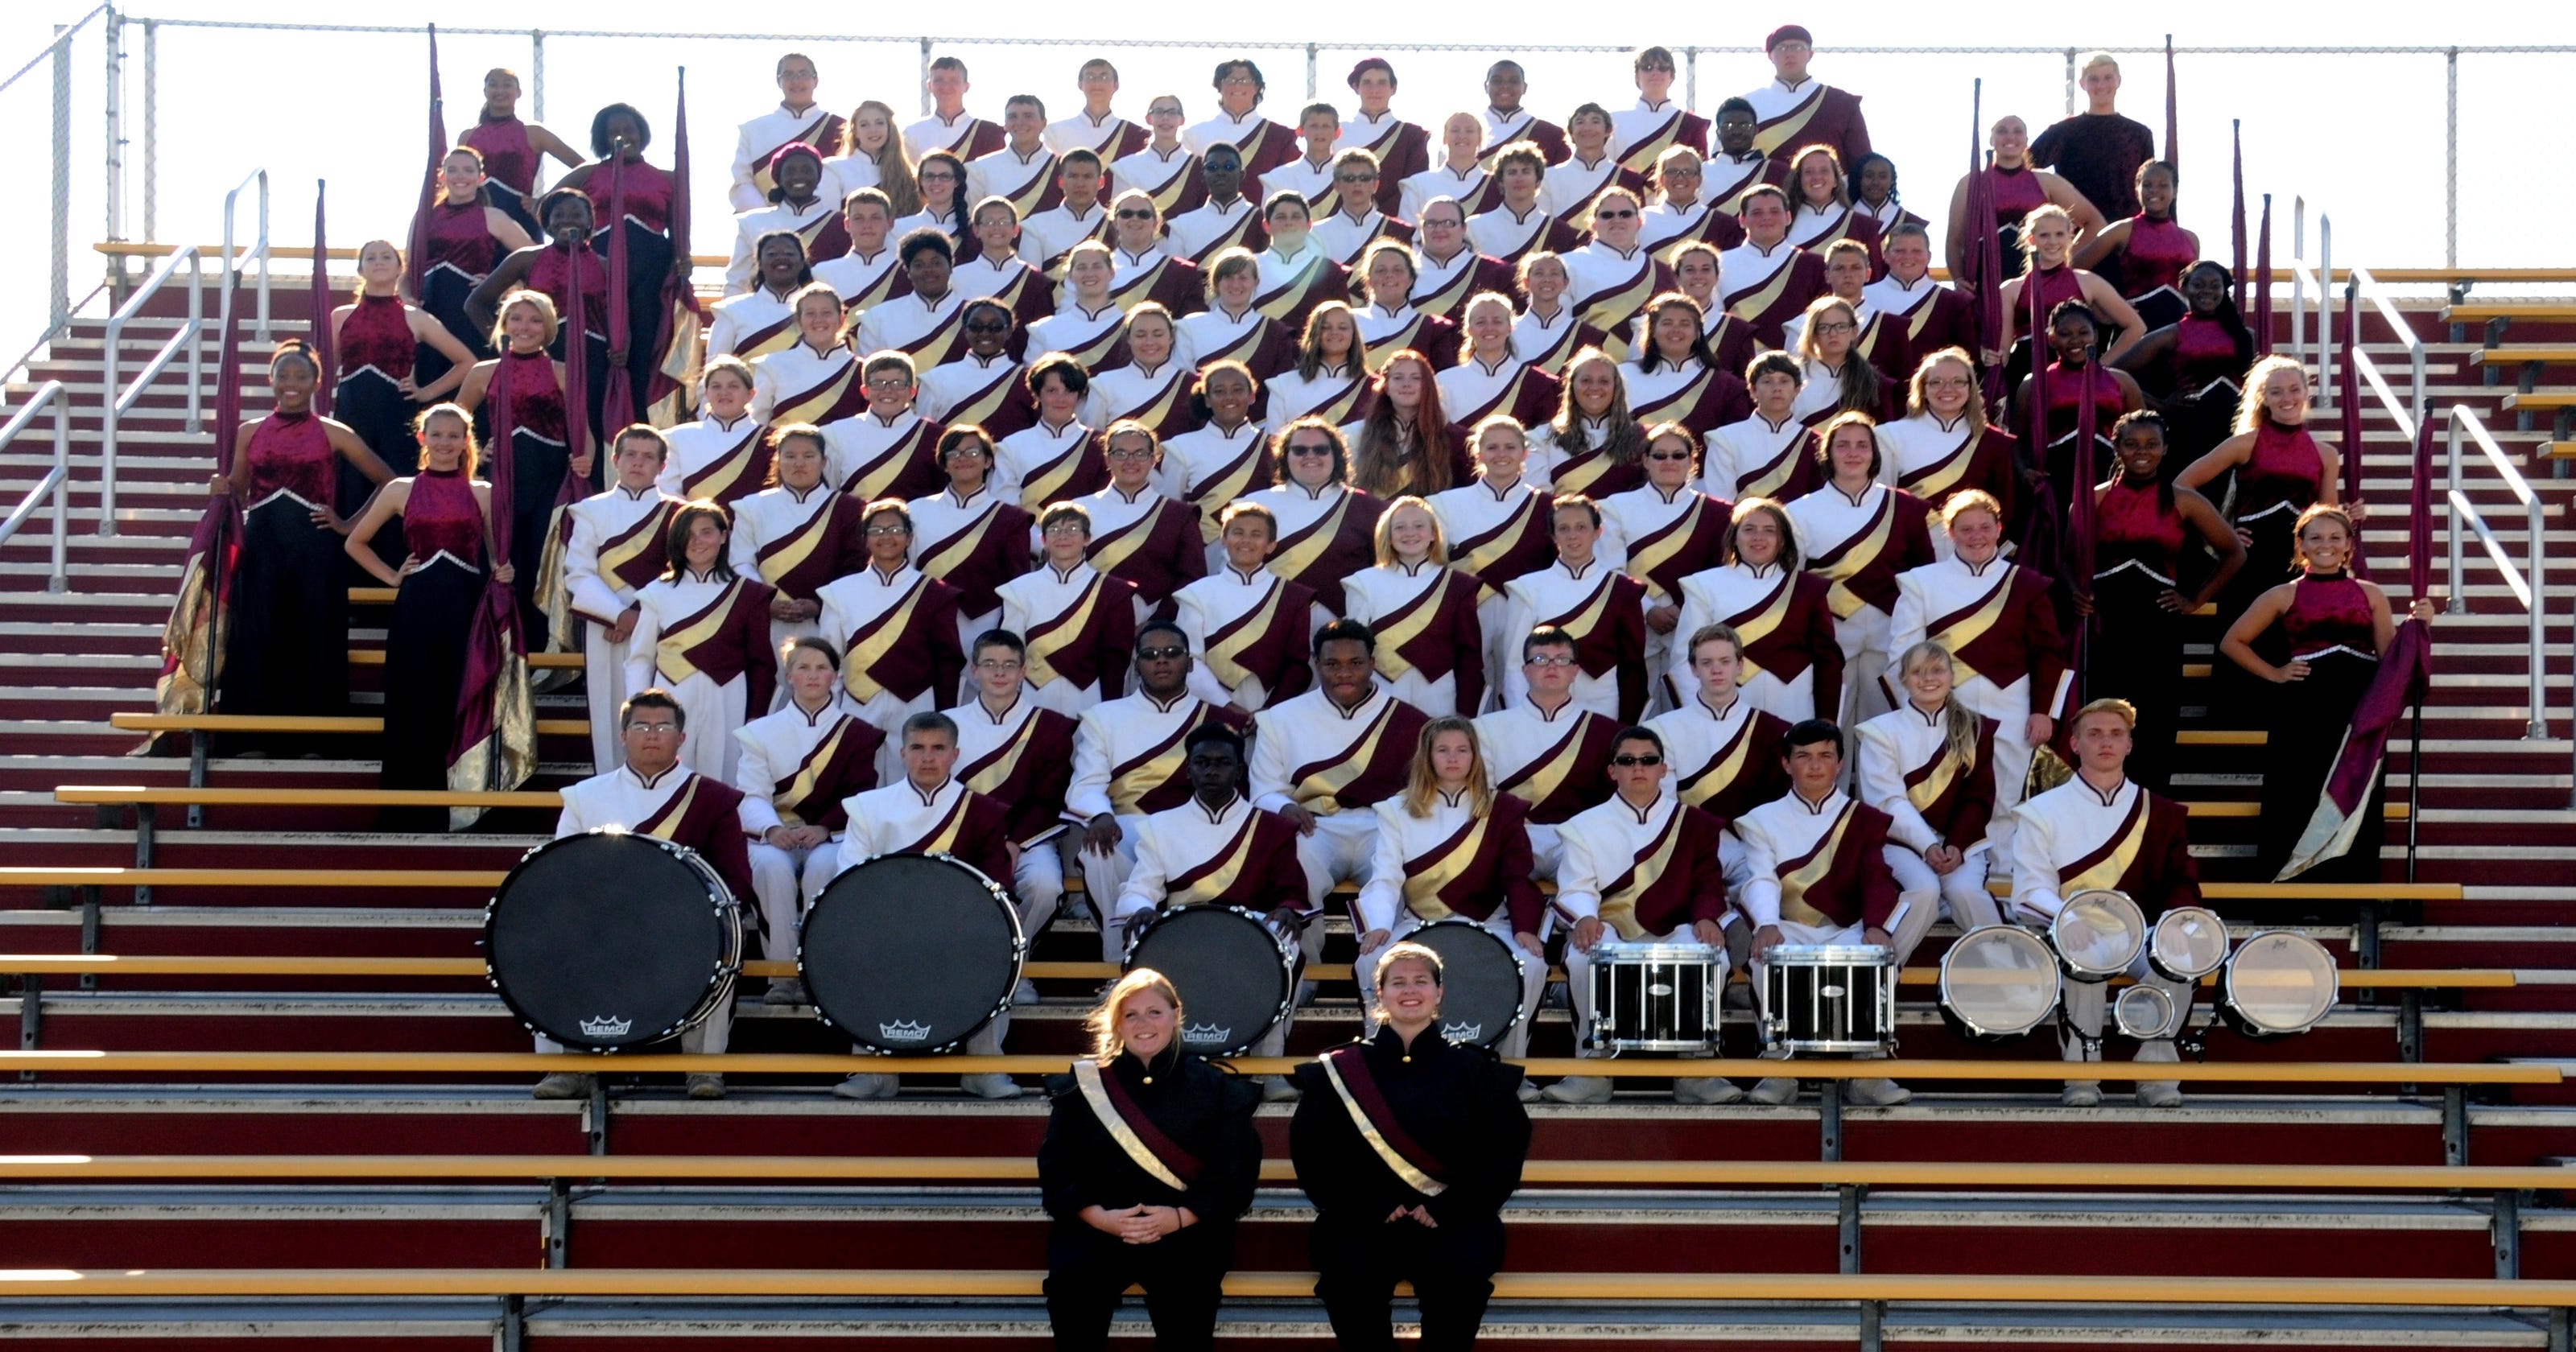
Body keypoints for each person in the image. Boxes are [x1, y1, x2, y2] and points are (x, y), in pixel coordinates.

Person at [1292, 941, 1530, 1350]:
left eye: (1421, 981)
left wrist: (1449, 1208)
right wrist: (1372, 1204)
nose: (1409, 990)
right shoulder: (1339, 1070)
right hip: (1362, 1219)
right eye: (1397, 982)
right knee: (1348, 1281)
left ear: (1439, 992)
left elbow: (1503, 1153)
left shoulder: (1475, 1070)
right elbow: (1314, 1154)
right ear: (1379, 993)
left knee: (1461, 1284)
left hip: (1453, 1220)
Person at [530, 689, 763, 1102]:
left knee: (722, 940)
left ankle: (703, 1068)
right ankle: (567, 1065)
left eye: (662, 726)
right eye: (640, 726)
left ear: (682, 737)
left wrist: (688, 914)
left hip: (681, 926)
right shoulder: (585, 796)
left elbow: (736, 881)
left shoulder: (712, 797)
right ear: (623, 736)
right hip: (601, 925)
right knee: (551, 938)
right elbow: (559, 872)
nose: (651, 735)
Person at [1038, 968, 1262, 1352]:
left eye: (1155, 1012)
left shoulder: (1215, 1087)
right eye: (1131, 1015)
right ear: (1117, 1025)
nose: (1144, 1024)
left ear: (1176, 1015)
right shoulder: (1084, 1087)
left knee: (1189, 1312)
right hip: (1100, 1230)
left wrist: (1178, 1218)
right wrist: (1101, 1219)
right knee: (1073, 1293)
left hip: (1186, 1231)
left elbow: (1236, 1173)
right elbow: (1057, 1168)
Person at [2219, 505, 2432, 881]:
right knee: (2297, 791)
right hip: (2302, 709)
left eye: (2336, 537)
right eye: (2315, 537)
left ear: (2350, 545)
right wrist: (2276, 672)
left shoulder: (2370, 594)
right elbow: (2232, 642)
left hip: (2356, 710)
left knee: (2351, 791)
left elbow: (2389, 661)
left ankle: (2346, 892)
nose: (2326, 545)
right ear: (2300, 544)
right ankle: (2288, 889)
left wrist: (2418, 629)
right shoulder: (2283, 594)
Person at [2008, 698, 2201, 1107]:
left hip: (2141, 934)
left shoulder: (2162, 813)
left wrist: (2173, 927)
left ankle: (2155, 1077)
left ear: (2130, 744)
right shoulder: (2040, 812)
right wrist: (2066, 918)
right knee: (2083, 956)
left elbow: (2182, 884)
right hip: (2072, 933)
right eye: (2094, 734)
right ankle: (2082, 1077)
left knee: (2180, 960)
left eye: (2116, 734)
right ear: (2075, 744)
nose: (2106, 743)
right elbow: (2028, 891)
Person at [1542, 723, 1738, 1105]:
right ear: (1612, 770)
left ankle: (1697, 1070)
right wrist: (1584, 917)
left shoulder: (1694, 822)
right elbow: (1577, 886)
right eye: (1627, 761)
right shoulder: (1584, 826)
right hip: (1610, 925)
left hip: (1677, 927)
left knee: (1713, 956)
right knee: (1584, 959)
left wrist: (1707, 917)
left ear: (1663, 769)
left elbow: (1707, 884)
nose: (1639, 768)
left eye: (1649, 760)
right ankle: (1592, 1069)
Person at [832, 709, 1022, 1100]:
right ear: (902, 753)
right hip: (884, 928)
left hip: (959, 929)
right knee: (858, 942)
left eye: (938, 748)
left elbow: (996, 885)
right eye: (918, 748)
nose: (928, 758)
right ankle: (872, 1069)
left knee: (998, 943)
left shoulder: (983, 810)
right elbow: (851, 880)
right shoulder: (868, 807)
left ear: (955, 754)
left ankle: (984, 1067)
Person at [1733, 718, 1925, 1107]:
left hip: (1845, 929)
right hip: (1788, 927)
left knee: (1876, 955)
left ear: (1840, 764)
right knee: (1766, 959)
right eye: (1803, 757)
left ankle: (1868, 1072)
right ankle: (1778, 1068)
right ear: (1787, 764)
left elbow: (1875, 877)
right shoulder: (1760, 820)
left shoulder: (1865, 818)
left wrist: (1876, 927)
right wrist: (1767, 925)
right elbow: (1761, 878)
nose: (1815, 765)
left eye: (1825, 756)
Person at [1114, 724, 1311, 1090]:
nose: (1211, 771)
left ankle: (1269, 1065)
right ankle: (1152, 1062)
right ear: (1188, 769)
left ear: (1239, 770)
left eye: (1222, 763)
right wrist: (1141, 906)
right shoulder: (1159, 826)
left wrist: (1287, 908)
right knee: (1140, 933)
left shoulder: (1272, 828)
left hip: (1248, 930)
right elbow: (1141, 887)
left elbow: (1292, 892)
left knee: (1286, 940)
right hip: (1183, 928)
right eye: (1202, 763)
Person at [212, 341, 392, 740]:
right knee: (259, 632)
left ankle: (315, 738)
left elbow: (389, 482)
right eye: (283, 376)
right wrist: (222, 489)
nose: (291, 384)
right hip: (262, 549)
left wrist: (347, 524)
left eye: (301, 376)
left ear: (316, 383)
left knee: (312, 634)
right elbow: (240, 493)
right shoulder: (249, 432)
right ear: (271, 380)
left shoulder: (334, 432)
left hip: (315, 549)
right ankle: (252, 738)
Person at [341, 405, 506, 827]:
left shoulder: (483, 492)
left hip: (467, 608)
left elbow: (496, 558)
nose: (445, 443)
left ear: (465, 441)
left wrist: (505, 570)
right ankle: (408, 808)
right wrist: (393, 578)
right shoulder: (399, 489)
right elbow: (355, 543)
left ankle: (464, 803)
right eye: (438, 435)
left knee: (460, 699)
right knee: (414, 701)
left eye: (454, 436)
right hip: (417, 608)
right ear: (422, 439)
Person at [1352, 719, 1547, 1063]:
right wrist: (1380, 924)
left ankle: (1512, 1068)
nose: (1453, 759)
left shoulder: (1503, 808)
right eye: (1442, 750)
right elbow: (1386, 875)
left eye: (1462, 750)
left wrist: (1525, 929)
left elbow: (1518, 876)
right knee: (1371, 958)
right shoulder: (1395, 810)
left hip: (1489, 922)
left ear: (1475, 756)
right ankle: (1384, 1063)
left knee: (1530, 964)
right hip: (1419, 922)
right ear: (1427, 757)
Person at [1885, 490, 2066, 848]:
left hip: (2011, 702)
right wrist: (1915, 710)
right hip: (1943, 704)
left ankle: (2002, 880)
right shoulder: (1920, 582)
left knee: (2007, 793)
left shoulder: (2026, 583)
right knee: (1942, 791)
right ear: (1949, 533)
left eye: (1985, 527)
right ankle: (1949, 876)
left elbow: (2049, 653)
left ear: (1999, 529)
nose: (1976, 536)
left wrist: (2044, 712)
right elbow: (1902, 652)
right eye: (1965, 529)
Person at [1067, 629, 1255, 957]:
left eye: (1172, 652)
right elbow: (1086, 783)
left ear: (1190, 662)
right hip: (1127, 825)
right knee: (1097, 850)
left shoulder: (1221, 720)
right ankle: (1119, 962)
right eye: (1150, 655)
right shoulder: (1103, 718)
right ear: (1136, 664)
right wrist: (1100, 815)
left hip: (1194, 827)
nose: (1162, 661)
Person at [2084, 410, 2245, 793]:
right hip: (2106, 627)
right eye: (2132, 444)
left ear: (2165, 448)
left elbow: (2234, 552)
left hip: (2159, 626)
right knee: (2104, 717)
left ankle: (2149, 808)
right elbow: (2067, 556)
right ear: (2116, 448)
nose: (2142, 452)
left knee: (2154, 720)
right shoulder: (2094, 499)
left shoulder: (2184, 500)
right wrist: (2079, 592)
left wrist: (2194, 600)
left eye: (2152, 445)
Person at [1251, 619, 1434, 927]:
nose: (1345, 673)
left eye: (1356, 663)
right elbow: (1263, 791)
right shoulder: (1280, 718)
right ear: (1316, 663)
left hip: (1383, 828)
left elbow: (1425, 791)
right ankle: (1302, 971)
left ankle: (1389, 967)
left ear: (1373, 664)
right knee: (1294, 883)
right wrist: (1285, 807)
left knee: (1392, 887)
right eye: (1333, 663)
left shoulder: (1410, 721)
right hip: (1314, 828)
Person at [736, 636, 886, 1000]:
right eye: (803, 667)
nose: (813, 676)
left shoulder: (859, 733)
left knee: (824, 869)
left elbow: (862, 793)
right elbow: (752, 793)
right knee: (772, 869)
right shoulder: (759, 733)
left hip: (833, 834)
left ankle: (818, 974)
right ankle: (781, 975)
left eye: (822, 668)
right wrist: (771, 829)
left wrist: (824, 827)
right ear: (789, 676)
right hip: (773, 835)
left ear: (835, 676)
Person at [1785, 414, 1936, 725]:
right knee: (1829, 723)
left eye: (1862, 445)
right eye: (1842, 445)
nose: (1853, 453)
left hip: (1890, 635)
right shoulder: (1798, 511)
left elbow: (1924, 578)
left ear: (1874, 453)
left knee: (1883, 727)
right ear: (1828, 453)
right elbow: (1791, 584)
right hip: (1829, 636)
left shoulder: (1906, 508)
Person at [949, 629, 1080, 984]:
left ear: (1023, 672)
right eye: (989, 664)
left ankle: (1015, 966)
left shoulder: (1051, 726)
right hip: (961, 838)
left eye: (1009, 665)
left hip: (1029, 839)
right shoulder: (948, 725)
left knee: (1045, 885)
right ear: (974, 671)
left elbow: (1050, 796)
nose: (999, 673)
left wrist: (1015, 841)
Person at [2178, 353, 2343, 627]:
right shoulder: (2245, 443)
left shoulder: (2325, 454)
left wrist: (2348, 517)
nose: (2286, 398)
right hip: (2250, 562)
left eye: (2294, 389)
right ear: (2263, 398)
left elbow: (2328, 517)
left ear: (2306, 392)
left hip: (2299, 563)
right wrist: (2221, 532)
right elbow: (2183, 485)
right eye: (2275, 392)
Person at [454, 291, 582, 639]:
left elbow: (582, 429)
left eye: (535, 319)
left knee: (541, 558)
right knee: (504, 558)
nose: (525, 326)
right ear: (504, 324)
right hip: (503, 480)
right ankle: (501, 640)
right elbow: (453, 425)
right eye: (517, 318)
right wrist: (477, 453)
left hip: (550, 477)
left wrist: (583, 459)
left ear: (549, 327)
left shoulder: (561, 372)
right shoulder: (484, 373)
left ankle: (544, 643)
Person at [622, 501, 778, 784]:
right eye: (689, 534)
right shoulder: (657, 593)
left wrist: (756, 716)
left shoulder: (748, 593)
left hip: (727, 699)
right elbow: (641, 659)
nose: (697, 542)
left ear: (723, 536)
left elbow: (762, 663)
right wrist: (640, 712)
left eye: (706, 532)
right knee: (668, 779)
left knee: (724, 781)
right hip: (669, 699)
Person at [1857, 639, 2004, 935]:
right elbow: (1887, 801)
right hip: (1898, 844)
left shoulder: (1977, 728)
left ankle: (2003, 971)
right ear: (1902, 679)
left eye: (1937, 670)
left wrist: (1956, 846)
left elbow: (1978, 798)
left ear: (1952, 676)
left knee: (1966, 893)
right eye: (1917, 672)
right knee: (1923, 891)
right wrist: (1928, 845)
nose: (1928, 680)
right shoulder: (1880, 732)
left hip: (1959, 845)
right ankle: (1883, 972)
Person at [556, 426, 680, 772]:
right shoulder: (589, 511)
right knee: (611, 714)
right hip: (605, 628)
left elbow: (685, 574)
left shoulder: (679, 513)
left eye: (648, 457)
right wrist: (618, 616)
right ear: (615, 459)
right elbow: (579, 573)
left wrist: (640, 618)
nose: (638, 463)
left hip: (663, 629)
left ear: (662, 466)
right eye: (631, 455)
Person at [331, 241, 477, 515]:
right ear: (360, 269)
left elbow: (466, 362)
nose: (379, 262)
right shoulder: (341, 317)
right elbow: (325, 371)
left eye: (387, 256)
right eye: (371, 258)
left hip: (396, 416)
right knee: (350, 486)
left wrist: (425, 393)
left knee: (397, 484)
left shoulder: (415, 318)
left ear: (400, 268)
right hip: (351, 414)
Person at [1670, 497, 1843, 723]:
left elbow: (1827, 661)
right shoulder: (1704, 585)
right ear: (1734, 537)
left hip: (1795, 705)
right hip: (1727, 708)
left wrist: (1826, 719)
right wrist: (1700, 714)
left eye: (1769, 530)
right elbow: (1685, 657)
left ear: (1782, 540)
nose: (1758, 537)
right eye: (1749, 529)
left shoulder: (1807, 588)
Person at [558, 103, 680, 418]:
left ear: (642, 134)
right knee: (600, 353)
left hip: (650, 275)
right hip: (599, 271)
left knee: (643, 352)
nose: (622, 136)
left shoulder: (667, 177)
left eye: (629, 130)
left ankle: (641, 425)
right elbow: (549, 211)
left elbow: (680, 230)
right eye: (613, 131)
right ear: (602, 138)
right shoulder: (587, 174)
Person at [1648, 623, 1793, 882]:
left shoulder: (1774, 730)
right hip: (1686, 847)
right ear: (1693, 669)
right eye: (1706, 662)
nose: (1716, 670)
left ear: (1739, 666)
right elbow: (1663, 808)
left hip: (1750, 849)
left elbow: (1779, 807)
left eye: (1725, 661)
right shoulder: (1660, 730)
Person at [814, 499, 968, 744]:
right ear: (865, 539)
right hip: (856, 706)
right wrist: (827, 714)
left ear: (909, 538)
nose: (886, 537)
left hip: (916, 706)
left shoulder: (935, 593)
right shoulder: (839, 593)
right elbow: (830, 661)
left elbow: (948, 663)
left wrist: (943, 717)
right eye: (876, 531)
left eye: (896, 530)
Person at [464, 190, 609, 443]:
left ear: (589, 221)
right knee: (542, 426)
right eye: (559, 215)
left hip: (592, 359)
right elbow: (475, 303)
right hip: (542, 355)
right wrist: (505, 344)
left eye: (576, 214)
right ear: (547, 221)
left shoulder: (606, 265)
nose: (567, 220)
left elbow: (621, 315)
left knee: (587, 430)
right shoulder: (527, 258)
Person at [1475, 625, 1622, 877]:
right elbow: (1482, 798)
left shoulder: (1605, 731)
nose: (1552, 667)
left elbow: (1614, 804)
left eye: (1562, 660)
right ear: (1525, 670)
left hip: (1579, 842)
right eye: (1541, 659)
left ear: (1575, 671)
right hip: (1511, 839)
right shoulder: (1484, 728)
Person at [1431, 417, 1563, 697]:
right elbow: (1432, 562)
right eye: (1492, 448)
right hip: (1467, 611)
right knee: (1467, 686)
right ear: (1477, 453)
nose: (1501, 454)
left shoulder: (1547, 507)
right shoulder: (1444, 504)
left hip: (1523, 610)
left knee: (1519, 686)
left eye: (1510, 447)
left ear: (1524, 453)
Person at [1600, 422, 1732, 701]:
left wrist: (1682, 608)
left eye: (1678, 455)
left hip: (1692, 625)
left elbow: (1720, 573)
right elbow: (1609, 569)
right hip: (1634, 623)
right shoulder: (1616, 506)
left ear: (1692, 460)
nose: (1669, 462)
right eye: (1659, 455)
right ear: (1645, 460)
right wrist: (1648, 610)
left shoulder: (1718, 512)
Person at [1501, 495, 1649, 723]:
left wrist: (1626, 725)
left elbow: (1633, 666)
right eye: (1564, 528)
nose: (1573, 536)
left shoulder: (1621, 589)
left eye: (1581, 527)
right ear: (1553, 535)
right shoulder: (1527, 588)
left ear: (1598, 532)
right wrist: (1521, 717)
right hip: (1542, 706)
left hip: (1602, 704)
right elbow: (1514, 665)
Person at [730, 423, 868, 657]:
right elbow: (741, 563)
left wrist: (819, 604)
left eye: (809, 456)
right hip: (765, 623)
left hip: (828, 623)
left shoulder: (848, 508)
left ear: (824, 462)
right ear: (778, 460)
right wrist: (766, 602)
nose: (799, 463)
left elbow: (855, 569)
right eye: (790, 456)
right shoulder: (751, 507)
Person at [1341, 497, 1484, 716]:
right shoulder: (1363, 583)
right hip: (1379, 692)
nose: (1410, 533)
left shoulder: (1458, 584)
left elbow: (1469, 657)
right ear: (1387, 536)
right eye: (1400, 527)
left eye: (1419, 526)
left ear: (1434, 534)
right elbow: (1353, 652)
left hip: (1440, 695)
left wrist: (1466, 714)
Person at [999, 503, 1142, 716]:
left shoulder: (1112, 591)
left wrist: (1110, 710)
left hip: (1089, 696)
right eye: (1054, 530)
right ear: (1043, 541)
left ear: (1087, 539)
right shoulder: (1019, 589)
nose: (1063, 536)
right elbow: (1010, 652)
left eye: (1072, 529)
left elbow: (1116, 660)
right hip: (1032, 696)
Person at [1173, 501, 1317, 713]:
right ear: (1224, 540)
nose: (1246, 540)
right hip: (1209, 711)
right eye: (1238, 532)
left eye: (1257, 534)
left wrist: (1270, 711)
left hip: (1274, 714)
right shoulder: (1196, 594)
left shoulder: (1293, 596)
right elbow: (1189, 661)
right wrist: (1227, 706)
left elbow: (1297, 665)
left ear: (1271, 545)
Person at [408, 147, 533, 388]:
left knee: (478, 380)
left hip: (472, 314)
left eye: (468, 170)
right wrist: (407, 299)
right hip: (429, 311)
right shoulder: (424, 217)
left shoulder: (494, 216)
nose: (460, 176)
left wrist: (507, 287)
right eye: (452, 170)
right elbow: (407, 271)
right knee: (429, 378)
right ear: (442, 177)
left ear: (481, 178)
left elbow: (537, 259)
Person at [2112, 259, 2257, 466]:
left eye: (2215, 286)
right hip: (2190, 430)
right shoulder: (2171, 334)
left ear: (2224, 290)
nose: (2207, 291)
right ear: (2183, 288)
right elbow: (2110, 375)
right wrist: (2160, 404)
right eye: (2198, 285)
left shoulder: (2245, 336)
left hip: (2237, 427)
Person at [908, 426, 1035, 662]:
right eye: (954, 454)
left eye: (972, 452)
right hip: (927, 627)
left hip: (987, 630)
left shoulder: (1011, 518)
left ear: (988, 461)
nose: (963, 459)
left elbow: (1017, 586)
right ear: (944, 464)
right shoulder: (915, 511)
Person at [1876, 348, 2018, 554]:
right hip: (1908, 556)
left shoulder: (1993, 442)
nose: (1947, 389)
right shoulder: (1889, 436)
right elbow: (1880, 506)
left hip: (1971, 557)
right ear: (1922, 388)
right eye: (1936, 382)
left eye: (1958, 381)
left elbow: (2004, 509)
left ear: (1971, 388)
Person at [2014, 301, 2147, 513]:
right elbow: (2016, 440)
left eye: (2083, 332)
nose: (2075, 340)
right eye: (2065, 334)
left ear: (2095, 335)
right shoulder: (2034, 383)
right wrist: (2024, 471)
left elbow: (2145, 433)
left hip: (2109, 480)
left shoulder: (2121, 382)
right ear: (2052, 339)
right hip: (2055, 484)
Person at [1246, 418, 1385, 617]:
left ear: (1337, 455)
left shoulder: (1369, 507)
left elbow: (1382, 574)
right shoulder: (1255, 505)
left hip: (1345, 629)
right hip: (1272, 623)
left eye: (1321, 450)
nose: (1310, 456)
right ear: (1285, 456)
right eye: (1300, 450)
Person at [1946, 117, 2107, 287]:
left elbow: (2095, 222)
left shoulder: (2046, 181)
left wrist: (2062, 262)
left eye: (2017, 131)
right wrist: (1958, 280)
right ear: (1991, 140)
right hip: (1984, 288)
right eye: (2002, 131)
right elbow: (1954, 239)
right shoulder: (1971, 182)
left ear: (2026, 140)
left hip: (2035, 288)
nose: (2010, 137)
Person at [1080, 422, 1207, 619]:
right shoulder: (1078, 509)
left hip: (1156, 633)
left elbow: (1192, 578)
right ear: (1107, 459)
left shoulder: (1179, 514)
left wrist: (1157, 625)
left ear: (1154, 459)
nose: (1130, 461)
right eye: (1121, 453)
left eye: (1140, 454)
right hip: (1089, 623)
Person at [1996, 205, 2146, 372]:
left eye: (2059, 234)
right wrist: (1993, 357)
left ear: (2070, 236)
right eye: (2044, 235)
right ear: (2032, 239)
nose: (2053, 241)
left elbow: (2136, 327)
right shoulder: (2010, 289)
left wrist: (2100, 367)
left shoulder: (2088, 281)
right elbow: (2004, 347)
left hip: (2075, 375)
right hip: (2026, 373)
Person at [2029, 52, 2159, 224]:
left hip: (2127, 232)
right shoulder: (2062, 132)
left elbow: (2151, 186)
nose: (2101, 85)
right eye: (2093, 79)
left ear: (2118, 81)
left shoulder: (2139, 134)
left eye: (2108, 78)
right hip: (2076, 234)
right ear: (2083, 84)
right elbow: (2024, 171)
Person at [1860, 225, 1979, 406]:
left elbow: (1968, 360)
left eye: (1916, 251)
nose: (1908, 257)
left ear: (1929, 256)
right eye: (1899, 250)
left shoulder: (1953, 302)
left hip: (1932, 402)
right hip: (1873, 400)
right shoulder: (1862, 297)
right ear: (1885, 255)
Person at [459, 68, 585, 235]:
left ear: (518, 92)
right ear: (485, 91)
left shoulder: (534, 133)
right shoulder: (468, 137)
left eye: (507, 85)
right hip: (476, 222)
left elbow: (583, 168)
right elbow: (453, 180)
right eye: (494, 85)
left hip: (521, 222)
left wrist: (546, 200)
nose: (500, 91)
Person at [2074, 161, 2198, 328]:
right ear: (2137, 190)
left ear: (2175, 191)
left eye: (2163, 185)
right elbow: (2071, 272)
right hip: (2136, 335)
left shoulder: (2190, 239)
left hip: (2179, 335)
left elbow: (2194, 290)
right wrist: (2100, 310)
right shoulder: (2122, 230)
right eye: (2147, 185)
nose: (2154, 190)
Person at [818, 350, 947, 504]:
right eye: (878, 384)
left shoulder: (936, 436)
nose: (888, 390)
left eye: (898, 384)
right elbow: (830, 498)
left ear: (912, 391)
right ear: (865, 391)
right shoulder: (835, 434)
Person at [1160, 361, 1277, 530]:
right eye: (1219, 391)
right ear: (1207, 399)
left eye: (1237, 390)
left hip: (1254, 550)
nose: (1229, 397)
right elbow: (1171, 513)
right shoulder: (1181, 447)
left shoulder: (1271, 446)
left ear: (1252, 396)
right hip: (1199, 552)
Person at [1623, 294, 1752, 439]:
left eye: (1685, 324)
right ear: (1652, 330)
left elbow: (1736, 443)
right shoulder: (1622, 377)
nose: (1676, 330)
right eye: (1667, 323)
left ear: (1698, 332)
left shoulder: (1726, 386)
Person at [1530, 348, 1649, 499]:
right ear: (1572, 386)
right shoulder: (1540, 438)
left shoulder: (1643, 438)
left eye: (1604, 381)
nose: (1594, 387)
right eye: (1586, 380)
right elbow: (1540, 502)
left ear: (1616, 387)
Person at [1347, 351, 1469, 499]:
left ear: (1428, 385)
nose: (1406, 384)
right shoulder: (1356, 434)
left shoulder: (1456, 439)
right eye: (1398, 378)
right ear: (1386, 387)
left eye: (1416, 378)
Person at [729, 59, 845, 212]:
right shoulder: (752, 130)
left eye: (803, 74)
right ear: (779, 81)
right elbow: (742, 184)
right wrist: (767, 220)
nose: (796, 81)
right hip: (768, 230)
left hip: (826, 227)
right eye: (788, 75)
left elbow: (848, 180)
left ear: (815, 80)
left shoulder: (840, 127)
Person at [994, 352, 1106, 511]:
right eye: (1052, 390)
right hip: (1026, 534)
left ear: (1079, 396)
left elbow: (1102, 504)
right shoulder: (1011, 446)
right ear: (1037, 394)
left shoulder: (1098, 444)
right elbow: (1007, 506)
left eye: (1069, 390)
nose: (1061, 398)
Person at [725, 147, 844, 297]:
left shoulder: (839, 222)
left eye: (807, 170)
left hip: (820, 317)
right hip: (763, 316)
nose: (799, 176)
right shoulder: (751, 222)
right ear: (778, 178)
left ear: (819, 177)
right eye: (790, 171)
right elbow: (737, 281)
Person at [1702, 352, 1818, 503]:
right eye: (1767, 381)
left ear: (1797, 389)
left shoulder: (1815, 442)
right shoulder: (1725, 439)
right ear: (1753, 390)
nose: (1776, 388)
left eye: (1784, 381)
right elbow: (1721, 504)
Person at [1745, 26, 1870, 166]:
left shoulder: (1841, 102)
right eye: (1781, 48)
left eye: (1798, 48)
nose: (1790, 54)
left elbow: (1862, 164)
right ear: (1770, 56)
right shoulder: (1747, 105)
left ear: (1810, 54)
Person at [1721, 186, 1828, 349]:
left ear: (1788, 217)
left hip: (1798, 361)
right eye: (1757, 213)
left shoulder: (1814, 265)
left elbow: (1823, 320)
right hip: (1736, 362)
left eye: (1774, 211)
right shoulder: (1718, 263)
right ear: (1742, 220)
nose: (1766, 218)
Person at [1439, 293, 1560, 433]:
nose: (1489, 328)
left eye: (1497, 321)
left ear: (1510, 328)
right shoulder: (1444, 381)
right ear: (1469, 330)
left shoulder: (1536, 383)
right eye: (1481, 322)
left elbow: (1544, 440)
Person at [751, 282, 867, 426]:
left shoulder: (861, 369)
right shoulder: (772, 365)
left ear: (841, 320)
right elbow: (757, 424)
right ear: (799, 321)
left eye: (826, 313)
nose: (819, 320)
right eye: (810, 313)